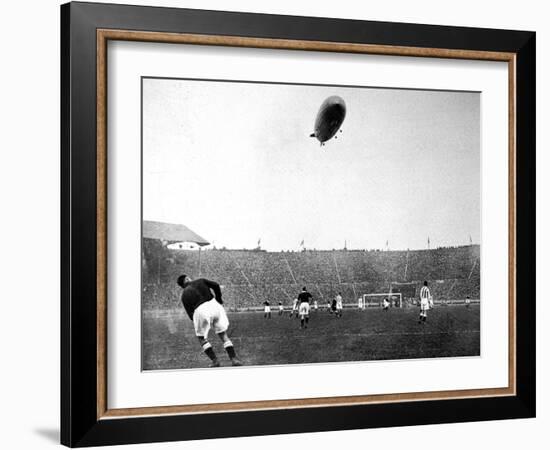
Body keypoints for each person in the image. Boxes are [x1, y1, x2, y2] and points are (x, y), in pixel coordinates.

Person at [177, 274, 242, 367]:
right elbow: (216, 285)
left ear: (182, 285)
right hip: (215, 306)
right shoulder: (200, 280)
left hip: (200, 310)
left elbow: (190, 314)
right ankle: (234, 359)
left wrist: (198, 323)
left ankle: (215, 361)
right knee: (223, 334)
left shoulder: (184, 295)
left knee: (201, 338)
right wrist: (219, 299)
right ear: (187, 279)